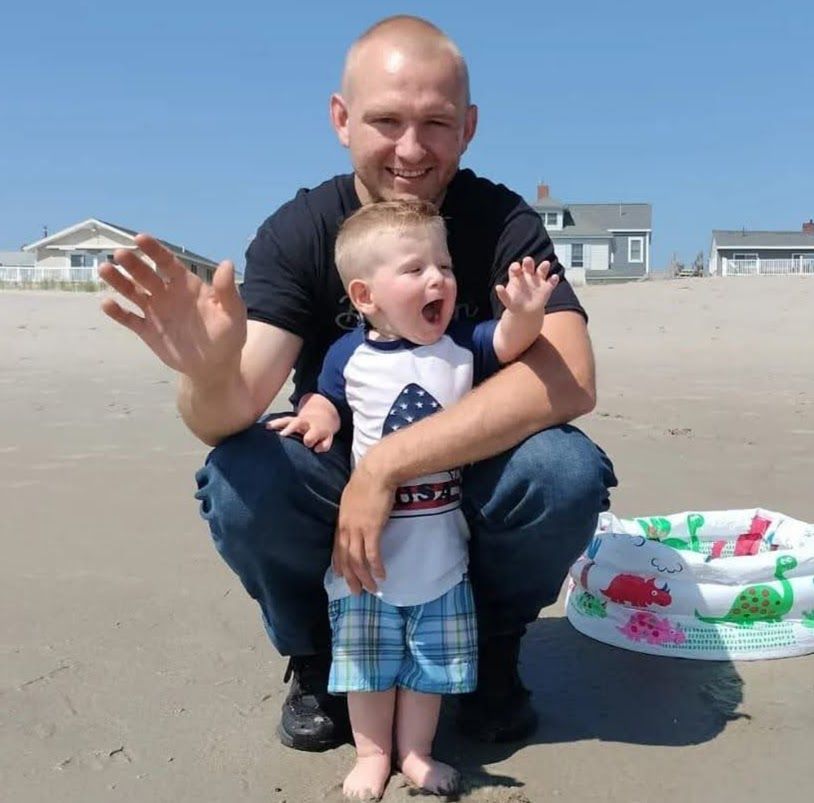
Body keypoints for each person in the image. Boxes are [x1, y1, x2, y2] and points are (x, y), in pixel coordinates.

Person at [99, 14, 617, 755]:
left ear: (468, 127)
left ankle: (495, 650)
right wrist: (208, 373)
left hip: (471, 478)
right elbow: (230, 411)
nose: (412, 149)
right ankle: (315, 655)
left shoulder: (500, 221)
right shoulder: (302, 231)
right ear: (341, 120)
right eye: (386, 120)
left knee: (564, 469)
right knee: (240, 473)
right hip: (342, 477)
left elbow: (570, 377)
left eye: (436, 122)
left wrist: (389, 464)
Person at [267, 199, 561, 798]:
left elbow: (507, 342)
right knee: (370, 666)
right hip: (367, 560)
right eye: (415, 269)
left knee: (428, 667)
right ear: (365, 295)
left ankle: (416, 753)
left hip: (442, 554)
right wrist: (316, 417)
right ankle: (373, 755)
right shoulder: (350, 356)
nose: (439, 280)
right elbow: (324, 396)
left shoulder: (461, 346)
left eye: (445, 267)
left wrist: (528, 314)